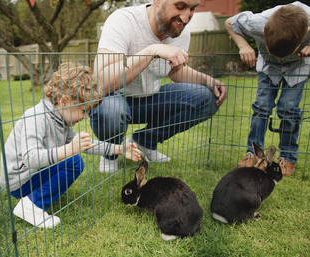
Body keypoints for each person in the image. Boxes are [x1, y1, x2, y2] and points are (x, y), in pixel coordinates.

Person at [89, 0, 227, 173]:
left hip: (149, 100)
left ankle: (144, 141)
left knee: (208, 97)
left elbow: (175, 71)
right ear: (158, 1)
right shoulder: (123, 20)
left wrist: (208, 80)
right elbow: (101, 81)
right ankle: (110, 153)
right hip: (114, 99)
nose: (186, 17)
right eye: (180, 6)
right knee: (110, 110)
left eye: (192, 9)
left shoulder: (180, 31)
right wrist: (151, 51)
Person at [0, 63, 141, 228]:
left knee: (72, 159)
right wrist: (68, 149)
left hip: (30, 175)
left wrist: (119, 149)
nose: (85, 117)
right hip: (19, 181)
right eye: (82, 110)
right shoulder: (37, 117)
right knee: (73, 162)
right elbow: (30, 158)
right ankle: (31, 206)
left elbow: (86, 145)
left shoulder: (60, 121)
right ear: (65, 101)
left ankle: (34, 198)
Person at [226, 2, 310, 176]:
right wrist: (244, 46)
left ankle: (287, 156)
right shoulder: (256, 22)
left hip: (298, 65)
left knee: (289, 108)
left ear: (306, 31)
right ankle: (253, 153)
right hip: (269, 66)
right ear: (264, 32)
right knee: (261, 107)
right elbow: (229, 22)